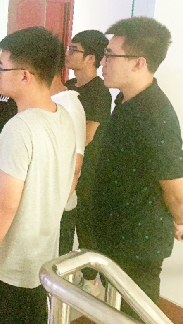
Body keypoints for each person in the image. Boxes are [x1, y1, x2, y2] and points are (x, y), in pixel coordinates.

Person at [0, 27, 77, 324]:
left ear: (25, 75)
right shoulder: (62, 116)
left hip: (10, 261)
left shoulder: (20, 127)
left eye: (2, 68)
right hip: (41, 255)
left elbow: (6, 203)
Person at [93, 17, 183, 317]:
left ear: (138, 63)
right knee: (115, 311)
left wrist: (180, 219)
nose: (102, 62)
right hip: (116, 234)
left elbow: (175, 189)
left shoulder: (156, 114)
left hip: (137, 243)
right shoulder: (126, 100)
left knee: (137, 315)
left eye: (110, 55)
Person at [65, 30, 112, 266]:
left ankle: (91, 278)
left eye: (74, 50)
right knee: (63, 223)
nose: (68, 53)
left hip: (87, 171)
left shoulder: (100, 92)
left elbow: (87, 135)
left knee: (84, 226)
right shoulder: (68, 85)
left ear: (91, 58)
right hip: (64, 165)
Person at [51, 43, 86, 257]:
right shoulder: (46, 101)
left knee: (55, 269)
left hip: (57, 210)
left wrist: (55, 210)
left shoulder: (69, 105)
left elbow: (76, 166)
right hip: (43, 207)